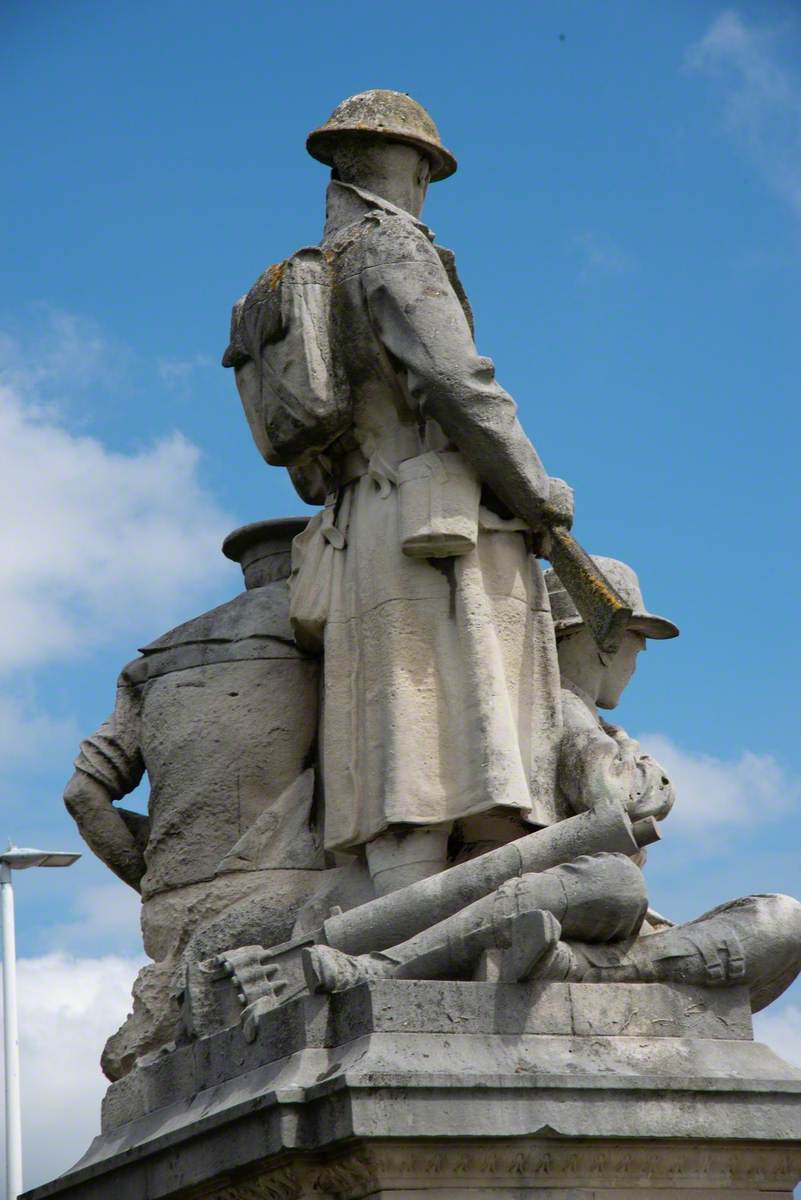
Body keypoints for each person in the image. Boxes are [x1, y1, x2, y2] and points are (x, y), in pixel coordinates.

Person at [224, 90, 573, 896]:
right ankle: (461, 937)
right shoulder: (393, 249)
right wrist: (536, 486)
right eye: (427, 173)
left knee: (397, 749)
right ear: (412, 166)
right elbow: (457, 380)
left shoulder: (300, 277)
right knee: (457, 742)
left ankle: (407, 917)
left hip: (359, 526)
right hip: (432, 520)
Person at [300, 558, 801, 1015]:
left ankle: (578, 966)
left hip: (591, 922)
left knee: (782, 921)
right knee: (617, 882)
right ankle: (391, 967)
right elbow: (622, 797)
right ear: (605, 642)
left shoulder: (580, 716)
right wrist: (639, 759)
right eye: (636, 644)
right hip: (533, 892)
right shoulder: (560, 706)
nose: (636, 663)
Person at [63, 519, 323, 1078]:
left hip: (169, 908)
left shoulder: (153, 662)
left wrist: (159, 875)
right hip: (291, 888)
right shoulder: (325, 631)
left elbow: (85, 796)